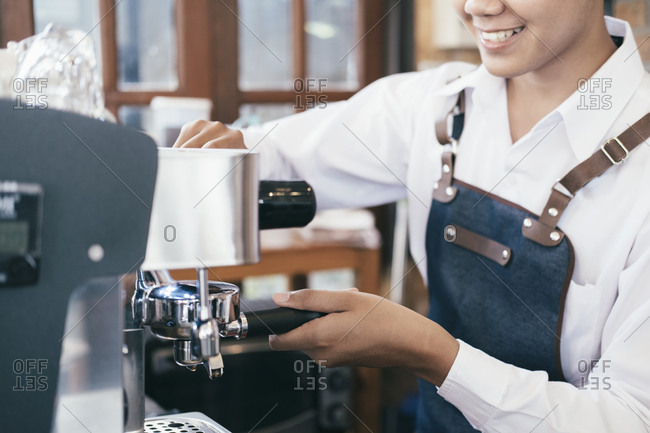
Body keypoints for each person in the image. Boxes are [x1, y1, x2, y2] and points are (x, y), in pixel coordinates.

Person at [174, 1, 650, 431]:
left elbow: (629, 418)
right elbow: (276, 154)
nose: (476, 7)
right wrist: (218, 158)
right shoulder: (437, 108)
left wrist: (433, 355)